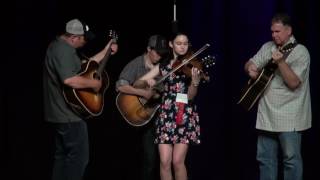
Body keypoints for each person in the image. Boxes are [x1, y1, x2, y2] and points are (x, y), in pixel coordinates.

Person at [43, 18, 118, 180]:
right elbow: (69, 80)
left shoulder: (59, 46)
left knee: (62, 157)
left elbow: (86, 65)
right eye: (84, 39)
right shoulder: (63, 50)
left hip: (59, 114)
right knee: (79, 160)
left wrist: (106, 51)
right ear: (73, 38)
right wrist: (94, 84)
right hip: (69, 116)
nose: (85, 42)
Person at [244, 13, 311, 180]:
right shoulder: (268, 47)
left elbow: (294, 83)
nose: (274, 35)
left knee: (291, 160)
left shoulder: (300, 51)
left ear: (289, 31)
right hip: (267, 114)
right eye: (272, 31)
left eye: (278, 31)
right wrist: (250, 69)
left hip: (290, 116)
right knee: (265, 159)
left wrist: (281, 62)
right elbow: (250, 62)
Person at [139, 32, 201, 180]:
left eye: (185, 43)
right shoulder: (164, 66)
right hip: (166, 113)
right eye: (178, 43)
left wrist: (195, 82)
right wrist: (148, 82)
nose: (182, 47)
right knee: (164, 162)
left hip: (184, 113)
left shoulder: (191, 64)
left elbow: (191, 96)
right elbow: (138, 82)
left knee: (177, 161)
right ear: (171, 44)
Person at [115, 34, 169, 180]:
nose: (160, 56)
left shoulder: (164, 67)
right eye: (157, 52)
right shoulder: (136, 64)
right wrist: (141, 92)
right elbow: (120, 86)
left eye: (162, 53)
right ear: (148, 49)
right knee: (145, 159)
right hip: (139, 115)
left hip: (156, 116)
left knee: (159, 160)